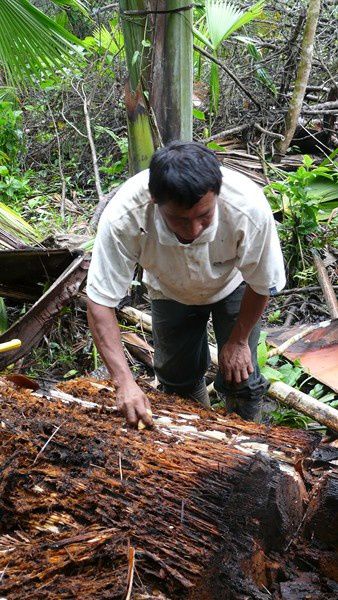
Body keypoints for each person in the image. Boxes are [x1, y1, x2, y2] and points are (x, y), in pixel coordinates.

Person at [87, 141, 285, 427]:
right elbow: (100, 301)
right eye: (178, 219)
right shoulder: (124, 216)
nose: (192, 230)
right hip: (168, 288)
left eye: (204, 216)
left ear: (217, 194)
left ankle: (248, 439)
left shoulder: (247, 208)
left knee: (241, 375)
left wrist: (239, 340)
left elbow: (263, 282)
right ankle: (194, 436)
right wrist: (124, 382)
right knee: (176, 380)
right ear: (154, 200)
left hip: (234, 286)